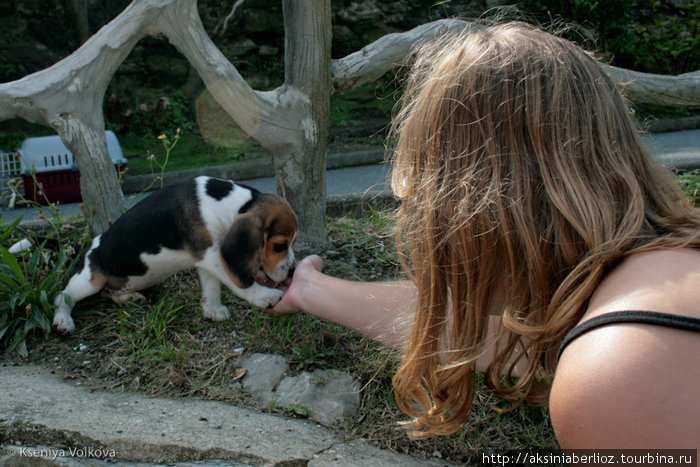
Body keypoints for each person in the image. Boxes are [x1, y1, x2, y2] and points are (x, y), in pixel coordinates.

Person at [268, 22, 700, 448]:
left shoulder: (615, 371)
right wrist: (308, 288)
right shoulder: (654, 282)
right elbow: (487, 332)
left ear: (465, 196)